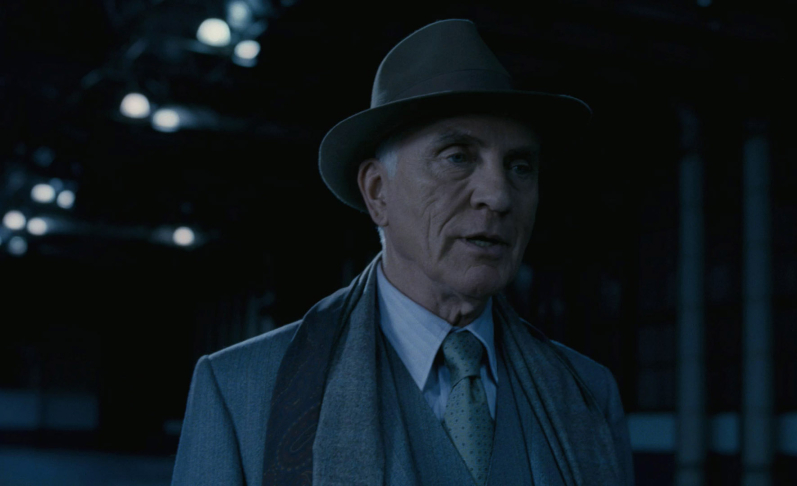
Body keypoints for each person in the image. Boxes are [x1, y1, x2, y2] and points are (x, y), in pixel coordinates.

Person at [171, 19, 634, 486]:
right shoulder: (240, 390)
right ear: (378, 191)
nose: (498, 196)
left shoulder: (588, 393)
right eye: (457, 156)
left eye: (520, 166)